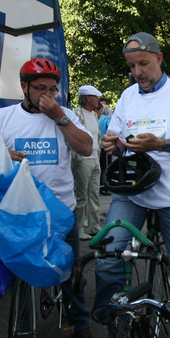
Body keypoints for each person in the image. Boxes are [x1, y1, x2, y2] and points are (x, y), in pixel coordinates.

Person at [94, 32, 170, 338]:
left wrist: (161, 144)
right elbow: (117, 142)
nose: (138, 72)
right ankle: (116, 329)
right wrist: (112, 144)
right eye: (132, 66)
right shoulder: (127, 96)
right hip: (132, 193)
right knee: (107, 258)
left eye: (143, 64)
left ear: (159, 58)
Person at [0, 57, 98, 338]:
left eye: (52, 89)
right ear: (24, 87)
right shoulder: (2, 118)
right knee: (20, 277)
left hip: (61, 210)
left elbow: (86, 148)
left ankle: (80, 323)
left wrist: (59, 117)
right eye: (40, 88)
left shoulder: (64, 115)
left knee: (69, 271)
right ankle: (22, 332)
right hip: (20, 213)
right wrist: (0, 154)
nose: (47, 95)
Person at [73, 84, 104, 240]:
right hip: (83, 160)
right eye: (95, 97)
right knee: (81, 197)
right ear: (87, 98)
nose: (98, 100)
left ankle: (94, 226)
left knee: (94, 194)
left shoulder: (93, 114)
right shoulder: (76, 114)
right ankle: (78, 229)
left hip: (95, 158)